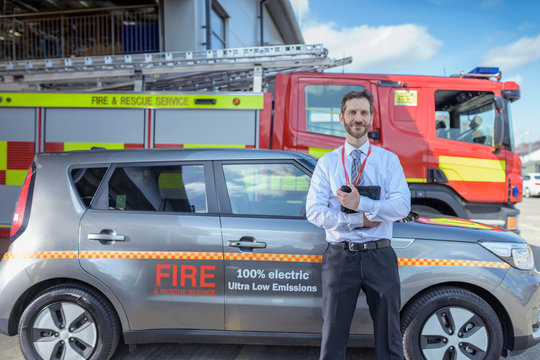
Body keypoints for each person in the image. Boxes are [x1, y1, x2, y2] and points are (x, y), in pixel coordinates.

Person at [306, 89, 411, 360]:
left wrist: (363, 204)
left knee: (389, 336)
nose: (358, 118)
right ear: (341, 118)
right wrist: (355, 218)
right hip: (341, 256)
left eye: (364, 112)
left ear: (371, 118)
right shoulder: (327, 163)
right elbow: (314, 212)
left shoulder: (388, 161)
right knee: (333, 336)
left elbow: (402, 206)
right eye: (352, 112)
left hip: (380, 255)